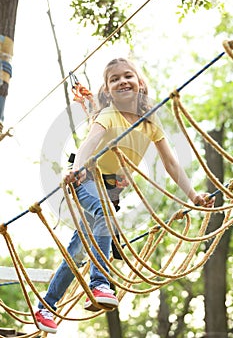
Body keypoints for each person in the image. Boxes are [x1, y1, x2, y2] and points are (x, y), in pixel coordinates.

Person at [35, 58, 215, 333]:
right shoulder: (108, 115)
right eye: (114, 79)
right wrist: (80, 169)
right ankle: (99, 285)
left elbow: (171, 163)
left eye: (127, 76)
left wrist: (192, 196)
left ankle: (46, 306)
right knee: (105, 213)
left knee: (79, 248)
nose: (122, 81)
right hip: (86, 178)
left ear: (140, 82)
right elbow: (89, 144)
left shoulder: (149, 121)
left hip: (110, 188)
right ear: (107, 90)